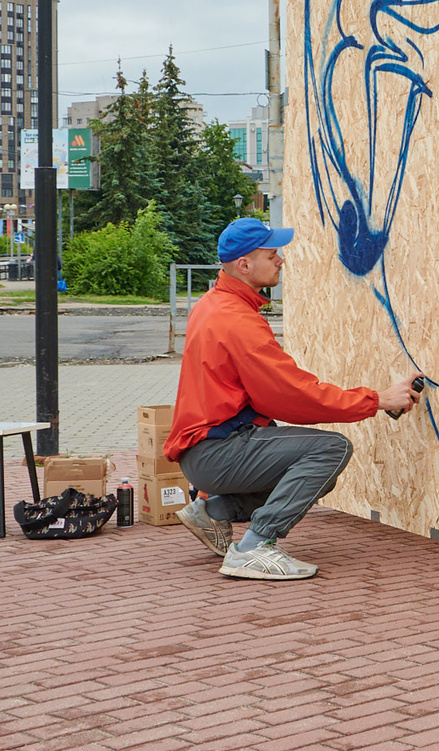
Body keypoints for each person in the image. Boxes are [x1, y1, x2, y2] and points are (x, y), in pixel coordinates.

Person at [166, 218, 419, 580]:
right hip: (216, 452)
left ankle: (213, 511)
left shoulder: (214, 302)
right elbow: (291, 395)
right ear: (244, 265)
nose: (280, 260)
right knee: (330, 450)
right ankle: (253, 547)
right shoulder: (236, 320)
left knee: (320, 475)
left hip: (205, 453)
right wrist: (377, 399)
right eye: (272, 255)